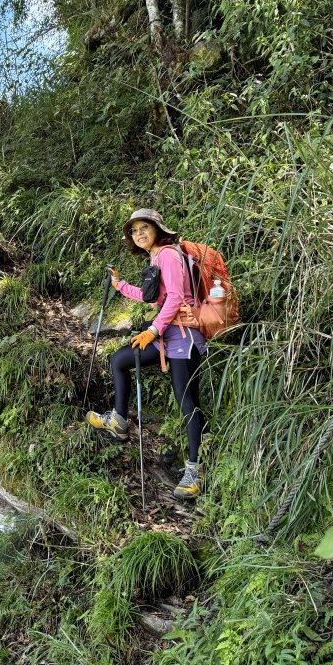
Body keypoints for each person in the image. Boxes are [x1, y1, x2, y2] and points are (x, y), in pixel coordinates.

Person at [85, 208, 208, 499]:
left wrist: (152, 330)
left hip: (184, 338)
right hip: (167, 336)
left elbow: (176, 298)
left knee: (187, 401)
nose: (139, 234)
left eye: (144, 228)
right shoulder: (155, 257)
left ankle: (195, 470)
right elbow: (152, 296)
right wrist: (119, 285)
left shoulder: (168, 254)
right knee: (120, 360)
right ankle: (118, 422)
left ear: (157, 229)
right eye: (134, 230)